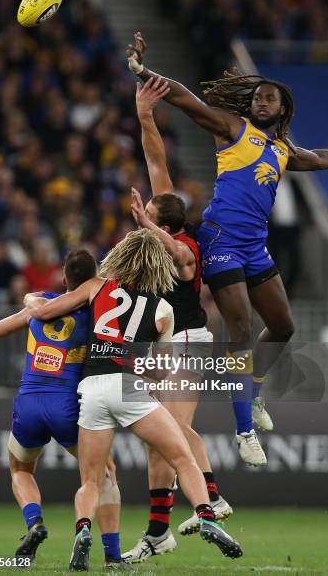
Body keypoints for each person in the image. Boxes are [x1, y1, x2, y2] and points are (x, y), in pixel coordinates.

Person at [126, 32, 328, 464]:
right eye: (257, 97)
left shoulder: (283, 150)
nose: (262, 101)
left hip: (255, 246)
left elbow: (317, 158)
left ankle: (253, 394)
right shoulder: (233, 128)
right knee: (240, 332)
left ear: (283, 108)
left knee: (284, 326)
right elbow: (184, 100)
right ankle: (244, 430)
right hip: (220, 241)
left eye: (270, 98)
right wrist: (146, 73)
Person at [24, 229, 243, 571]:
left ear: (120, 256)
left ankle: (83, 531)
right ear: (158, 266)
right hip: (130, 388)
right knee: (183, 459)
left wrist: (31, 301)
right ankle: (207, 517)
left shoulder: (95, 286)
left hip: (93, 388)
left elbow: (43, 311)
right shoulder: (164, 309)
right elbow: (159, 371)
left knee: (93, 481)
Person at [122, 77, 232, 564]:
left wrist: (146, 226)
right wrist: (145, 116)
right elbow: (156, 161)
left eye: (148, 211)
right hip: (164, 346)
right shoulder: (165, 221)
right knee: (157, 441)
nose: (142, 212)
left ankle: (212, 496)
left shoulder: (183, 246)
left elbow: (173, 251)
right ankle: (157, 531)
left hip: (187, 342)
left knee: (166, 427)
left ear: (163, 222)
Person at [0, 250, 123, 569]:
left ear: (64, 279)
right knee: (106, 474)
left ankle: (34, 523)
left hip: (29, 401)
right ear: (93, 280)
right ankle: (112, 555)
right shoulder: (97, 314)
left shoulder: (41, 304)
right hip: (67, 406)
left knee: (20, 468)